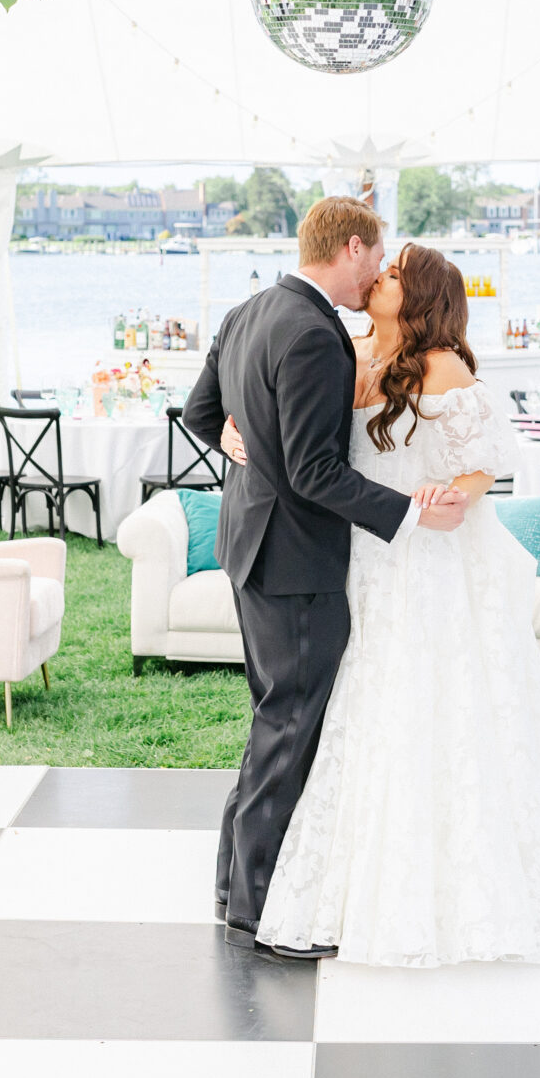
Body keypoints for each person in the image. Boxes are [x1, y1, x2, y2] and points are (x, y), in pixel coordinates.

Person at [221, 241, 540, 967]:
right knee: (359, 715)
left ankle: (461, 889)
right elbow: (295, 433)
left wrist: (452, 497)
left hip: (426, 564)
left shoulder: (444, 366)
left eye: (391, 275)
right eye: (380, 267)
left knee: (436, 712)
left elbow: (485, 460)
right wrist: (238, 430)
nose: (377, 277)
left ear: (416, 298)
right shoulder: (348, 352)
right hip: (363, 564)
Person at [181, 197, 472, 958]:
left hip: (248, 547)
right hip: (295, 562)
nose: (378, 271)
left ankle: (230, 882)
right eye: (375, 257)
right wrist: (408, 513)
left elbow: (197, 409)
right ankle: (256, 908)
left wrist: (232, 437)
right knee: (288, 728)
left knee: (272, 718)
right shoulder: (313, 334)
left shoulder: (249, 310)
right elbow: (314, 471)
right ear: (349, 247)